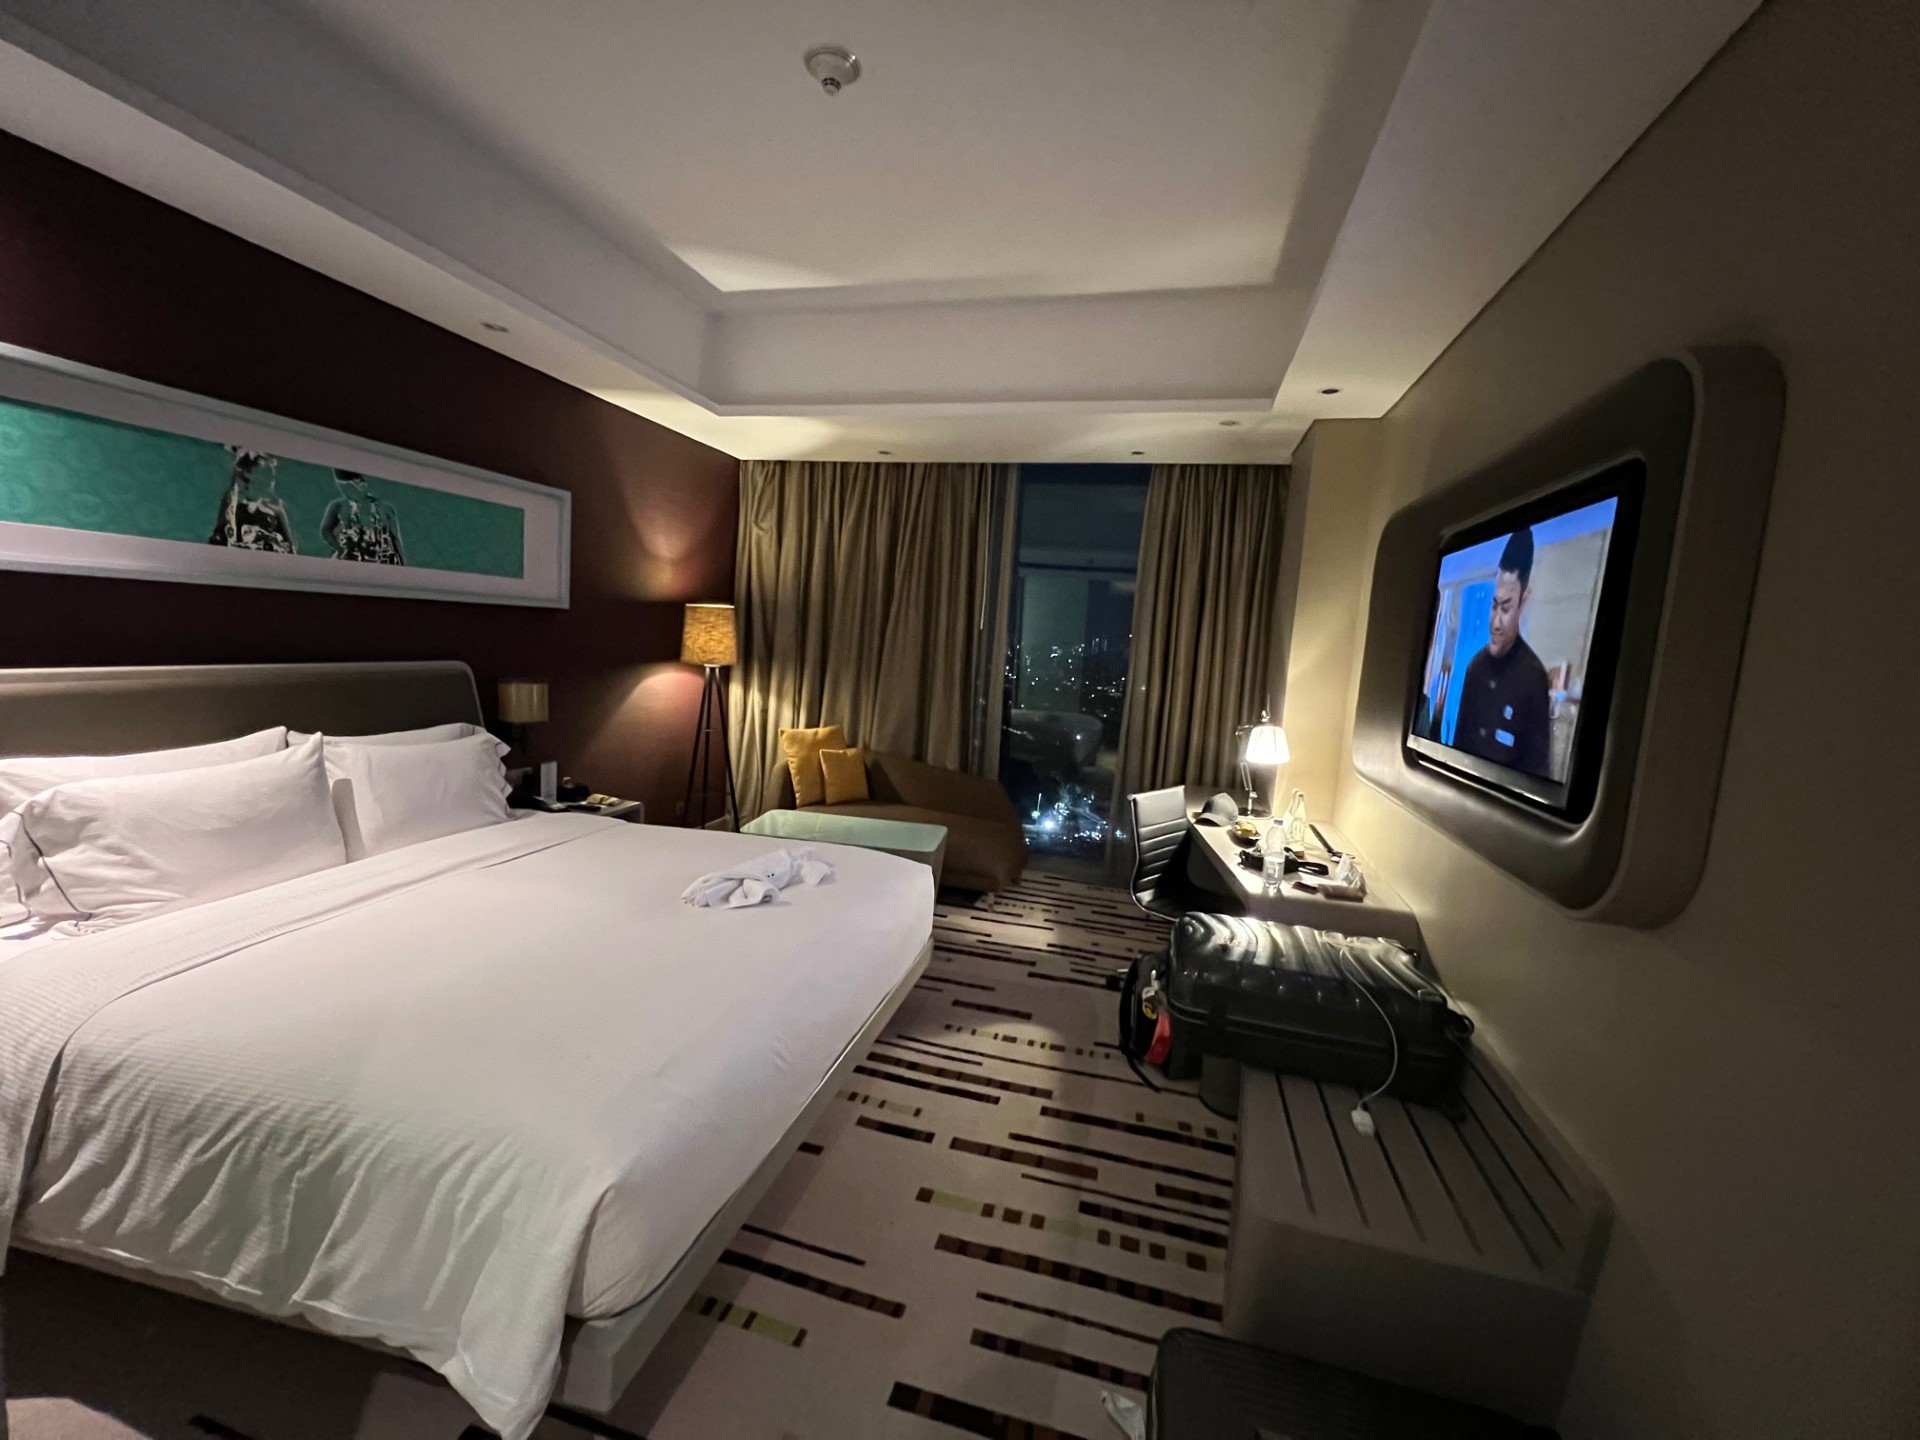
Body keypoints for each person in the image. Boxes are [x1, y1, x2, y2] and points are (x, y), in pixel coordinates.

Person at [1453, 527, 1551, 777]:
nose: (1495, 622)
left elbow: (1537, 773)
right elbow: (1456, 752)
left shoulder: (1534, 678)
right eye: (1494, 606)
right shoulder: (1475, 667)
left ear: (1523, 602)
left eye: (1505, 609)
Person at [207, 447, 295, 553]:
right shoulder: (234, 503)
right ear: (250, 480)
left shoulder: (276, 508)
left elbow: (291, 548)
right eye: (265, 478)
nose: (271, 484)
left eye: (272, 478)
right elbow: (220, 539)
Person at [320, 469, 406, 565]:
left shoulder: (385, 508)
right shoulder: (337, 506)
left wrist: (403, 564)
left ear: (361, 485)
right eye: (342, 488)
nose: (345, 492)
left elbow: (395, 538)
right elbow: (325, 531)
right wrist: (339, 549)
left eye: (347, 488)